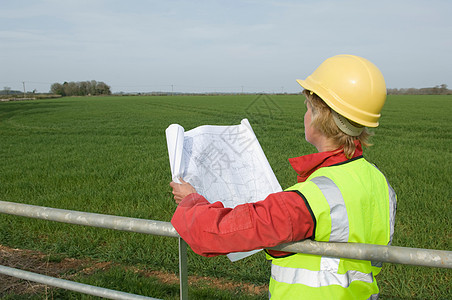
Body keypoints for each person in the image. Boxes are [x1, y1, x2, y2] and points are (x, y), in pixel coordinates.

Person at [170, 54, 396, 299]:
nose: (305, 116)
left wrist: (191, 200)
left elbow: (218, 234)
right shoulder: (380, 183)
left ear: (321, 117)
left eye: (308, 108)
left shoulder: (310, 199)